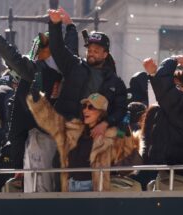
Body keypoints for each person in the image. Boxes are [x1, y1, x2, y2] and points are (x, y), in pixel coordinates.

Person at [0, 11, 78, 192]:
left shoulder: (69, 64)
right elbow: (12, 56)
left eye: (45, 48)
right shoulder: (32, 68)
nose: (38, 53)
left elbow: (71, 46)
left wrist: (70, 27)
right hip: (29, 126)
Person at [27, 90, 140, 192]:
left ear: (101, 113)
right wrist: (37, 100)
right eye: (85, 106)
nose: (86, 109)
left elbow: (129, 159)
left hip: (95, 189)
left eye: (91, 107)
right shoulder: (75, 130)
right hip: (70, 186)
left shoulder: (111, 135)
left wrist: (126, 133)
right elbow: (51, 121)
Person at [47, 9, 128, 138]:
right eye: (89, 50)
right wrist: (55, 24)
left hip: (94, 135)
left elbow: (121, 109)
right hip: (66, 131)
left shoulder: (115, 82)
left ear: (105, 54)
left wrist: (105, 123)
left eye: (96, 51)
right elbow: (57, 48)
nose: (91, 53)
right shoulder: (74, 66)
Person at [142, 56, 183, 178]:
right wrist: (153, 75)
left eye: (176, 86)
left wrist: (172, 61)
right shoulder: (181, 104)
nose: (173, 90)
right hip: (168, 167)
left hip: (178, 168)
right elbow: (165, 92)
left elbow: (166, 91)